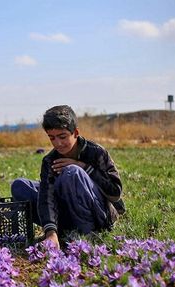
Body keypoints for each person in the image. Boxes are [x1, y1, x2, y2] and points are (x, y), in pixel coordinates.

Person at [11, 105, 125, 248]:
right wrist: (50, 232)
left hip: (97, 214)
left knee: (72, 172)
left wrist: (83, 167)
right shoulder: (49, 161)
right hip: (67, 213)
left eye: (62, 137)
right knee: (20, 186)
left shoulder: (96, 152)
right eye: (52, 138)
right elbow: (47, 197)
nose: (57, 143)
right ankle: (61, 233)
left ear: (75, 133)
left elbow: (115, 193)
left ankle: (86, 233)